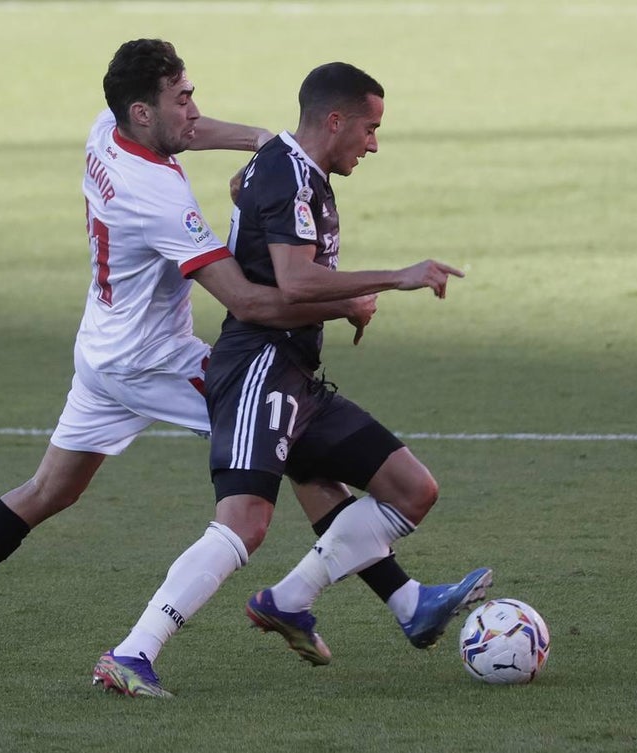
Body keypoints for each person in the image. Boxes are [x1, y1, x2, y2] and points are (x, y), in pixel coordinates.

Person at [0, 40, 487, 672]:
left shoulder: (107, 130)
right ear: (144, 112)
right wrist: (359, 295)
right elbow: (251, 301)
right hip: (155, 361)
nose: (194, 108)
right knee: (288, 436)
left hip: (102, 349)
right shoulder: (159, 200)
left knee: (46, 491)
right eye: (183, 98)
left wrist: (265, 141)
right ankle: (369, 603)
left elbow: (188, 136)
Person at [93, 61, 491, 698]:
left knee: (412, 489)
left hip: (297, 373)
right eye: (370, 127)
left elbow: (242, 194)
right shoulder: (286, 170)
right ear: (334, 121)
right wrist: (395, 277)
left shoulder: (291, 170)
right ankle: (132, 652)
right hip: (257, 368)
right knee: (245, 522)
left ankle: (300, 599)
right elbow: (297, 282)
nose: (375, 143)